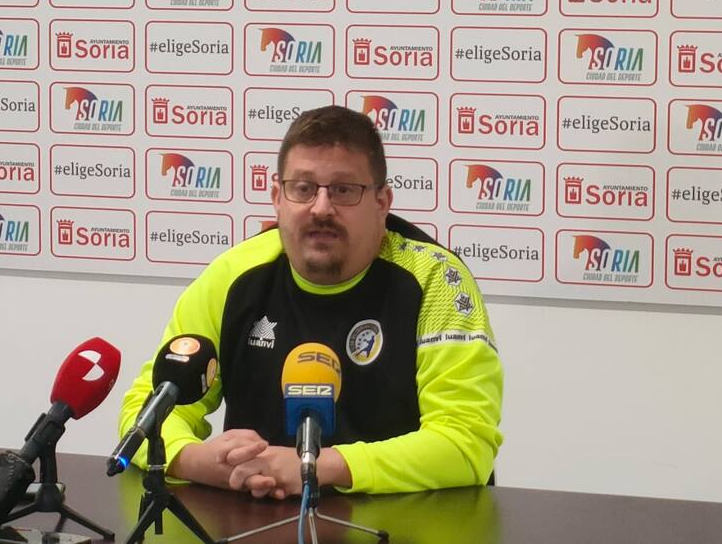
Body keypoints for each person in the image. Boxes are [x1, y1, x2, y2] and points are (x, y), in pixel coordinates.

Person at [118, 105, 503, 498]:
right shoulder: (232, 275)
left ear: (382, 202)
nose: (321, 208)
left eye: (344, 190)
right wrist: (196, 461)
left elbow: (465, 444)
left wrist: (319, 468)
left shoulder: (437, 281)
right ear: (277, 197)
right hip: (255, 518)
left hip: (404, 519)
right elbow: (146, 410)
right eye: (303, 188)